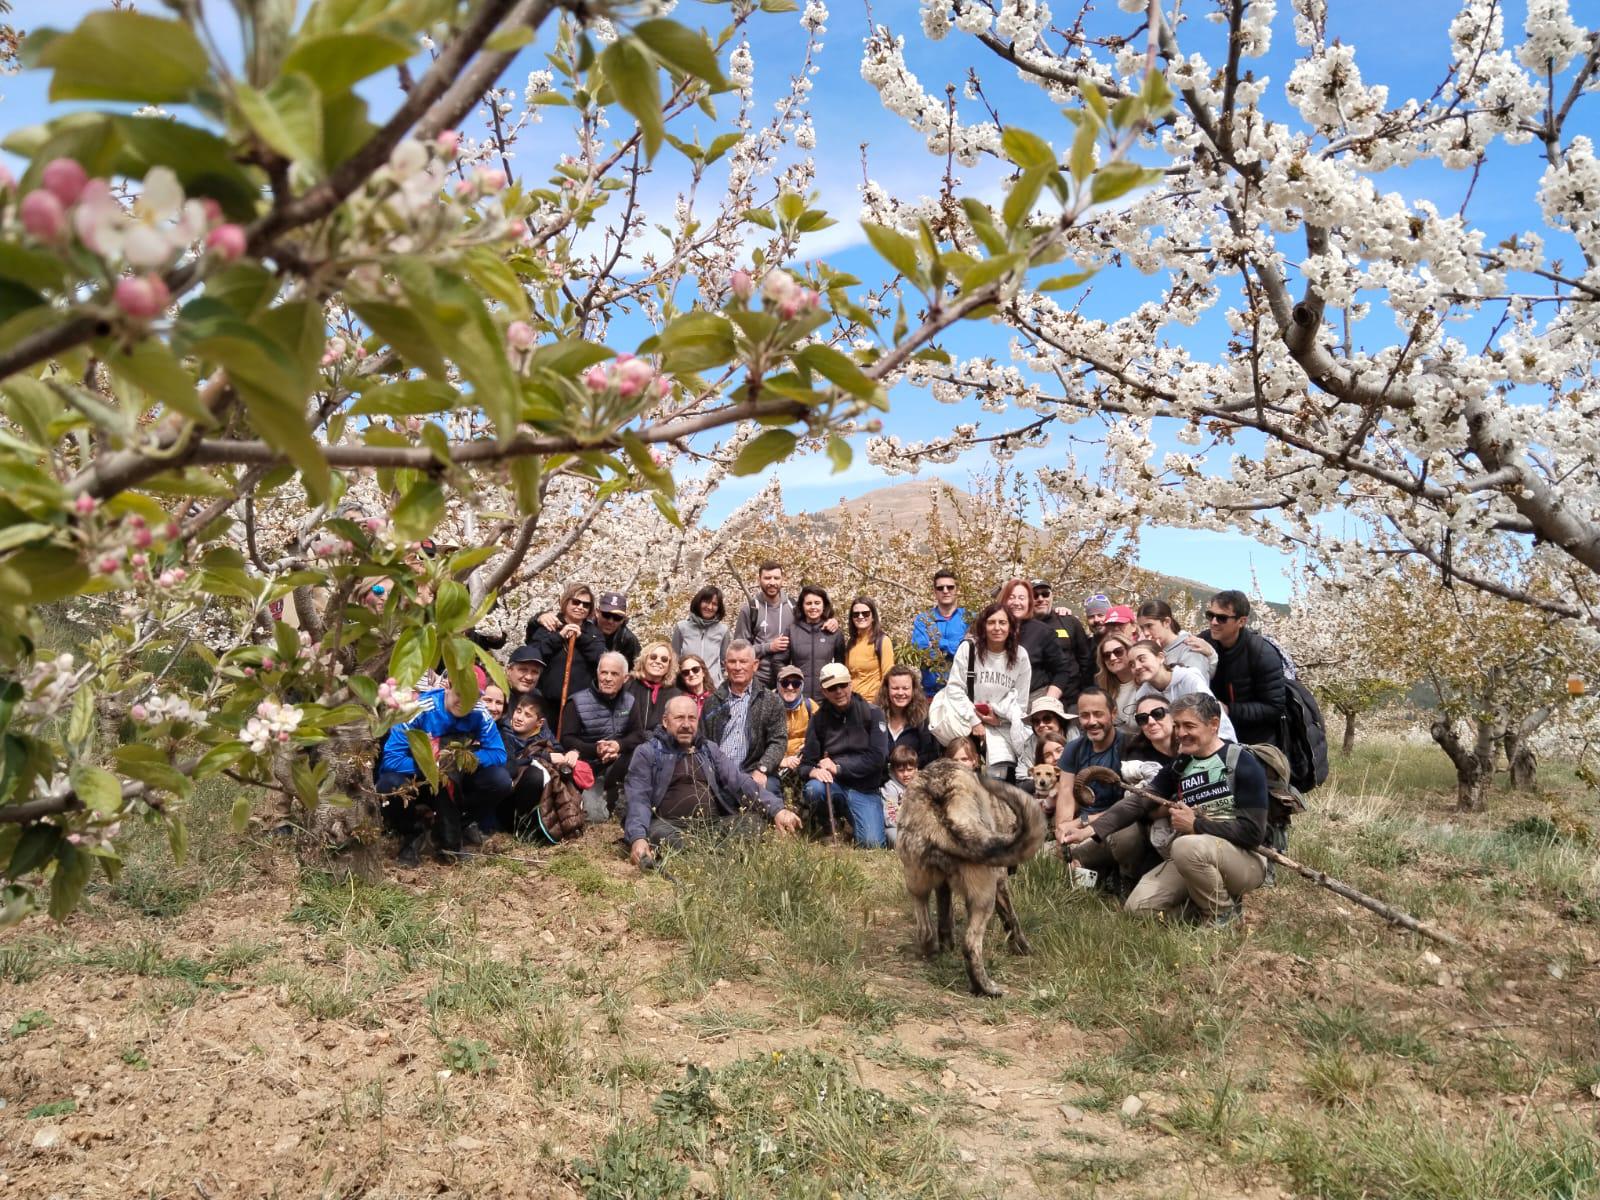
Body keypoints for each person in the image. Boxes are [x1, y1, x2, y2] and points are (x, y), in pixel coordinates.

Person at [1060, 693, 1269, 927]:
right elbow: (1139, 802)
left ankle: (1221, 914)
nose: (1181, 733)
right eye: (1178, 725)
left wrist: (1196, 825)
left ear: (1213, 725)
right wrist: (1090, 830)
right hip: (1192, 855)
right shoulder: (1180, 765)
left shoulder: (1242, 761)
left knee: (1184, 845)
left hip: (1243, 860)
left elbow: (1253, 833)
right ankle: (1203, 907)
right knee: (1138, 909)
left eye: (1189, 726)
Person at [623, 695, 802, 866]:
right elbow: (638, 798)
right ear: (665, 721)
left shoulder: (708, 749)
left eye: (691, 718)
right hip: (670, 825)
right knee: (659, 835)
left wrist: (777, 810)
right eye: (679, 718)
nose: (686, 724)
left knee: (752, 823)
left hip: (712, 825)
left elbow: (740, 782)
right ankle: (720, 857)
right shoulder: (648, 752)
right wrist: (638, 838)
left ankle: (701, 855)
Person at [377, 681, 513, 865]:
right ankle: (413, 831)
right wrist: (432, 766)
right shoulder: (419, 708)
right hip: (418, 778)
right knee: (389, 785)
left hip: (454, 780)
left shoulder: (480, 712)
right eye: (460, 694)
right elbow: (392, 759)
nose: (465, 702)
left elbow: (498, 754)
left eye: (472, 697)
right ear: (447, 686)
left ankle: (457, 826)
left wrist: (461, 760)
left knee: (500, 780)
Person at [1052, 687, 1151, 898]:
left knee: (1127, 835)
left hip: (1115, 826)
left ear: (1113, 714)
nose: (1091, 721)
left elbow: (1131, 806)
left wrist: (1082, 822)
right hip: (1081, 833)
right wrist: (1062, 829)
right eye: (1085, 715)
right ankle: (1095, 876)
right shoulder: (1074, 748)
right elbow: (1066, 792)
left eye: (1098, 714)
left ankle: (1126, 879)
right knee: (1039, 858)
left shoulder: (1129, 744)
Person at [799, 662, 890, 847]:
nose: (839, 691)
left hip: (865, 789)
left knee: (872, 844)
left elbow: (878, 758)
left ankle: (852, 823)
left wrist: (838, 768)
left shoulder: (873, 714)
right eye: (832, 688)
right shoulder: (818, 720)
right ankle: (829, 826)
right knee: (813, 789)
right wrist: (812, 772)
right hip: (834, 786)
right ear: (824, 691)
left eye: (843, 685)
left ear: (851, 684)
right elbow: (806, 764)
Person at [946, 602, 1031, 783]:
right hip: (967, 726)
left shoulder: (1020, 656)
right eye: (991, 622)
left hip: (1002, 730)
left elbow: (1021, 702)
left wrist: (998, 720)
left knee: (999, 789)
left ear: (1011, 626)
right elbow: (954, 688)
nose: (997, 628)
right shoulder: (969, 649)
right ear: (983, 626)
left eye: (1002, 622)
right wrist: (975, 720)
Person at [558, 651, 645, 822]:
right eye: (604, 672)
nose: (607, 678)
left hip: (619, 764)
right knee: (596, 817)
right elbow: (566, 739)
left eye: (614, 674)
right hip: (589, 767)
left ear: (625, 678)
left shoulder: (630, 701)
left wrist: (618, 745)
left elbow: (638, 735)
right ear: (597, 674)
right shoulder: (576, 702)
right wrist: (596, 750)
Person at [1199, 590, 1287, 749]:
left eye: (1222, 618)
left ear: (1241, 621)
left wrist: (1229, 710)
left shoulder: (1262, 653)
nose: (1213, 622)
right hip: (1215, 737)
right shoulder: (1204, 642)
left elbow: (1274, 707)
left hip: (1256, 742)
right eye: (1210, 615)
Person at [700, 640, 787, 796]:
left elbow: (778, 741)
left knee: (769, 790)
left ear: (755, 665)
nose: (738, 667)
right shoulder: (712, 702)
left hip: (753, 770)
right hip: (718, 772)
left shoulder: (771, 701)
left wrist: (763, 768)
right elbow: (703, 741)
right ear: (725, 665)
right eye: (732, 662)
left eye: (743, 662)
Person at [1127, 639, 1236, 740]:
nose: (1137, 667)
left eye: (1142, 659)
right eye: (1131, 664)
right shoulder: (1143, 695)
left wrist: (1225, 745)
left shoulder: (1188, 679)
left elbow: (1214, 715)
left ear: (1160, 657)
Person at [526, 583, 606, 712]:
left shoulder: (593, 632)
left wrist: (581, 639)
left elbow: (601, 658)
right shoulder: (549, 625)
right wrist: (559, 637)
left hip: (579, 705)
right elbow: (533, 654)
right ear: (566, 602)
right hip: (545, 701)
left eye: (586, 605)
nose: (580, 607)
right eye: (576, 602)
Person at [998, 578, 1072, 703]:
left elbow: (1062, 671)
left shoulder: (1042, 632)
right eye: (1011, 597)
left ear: (1029, 602)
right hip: (998, 700)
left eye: (1022, 598)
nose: (1017, 602)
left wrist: (1048, 702)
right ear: (1003, 600)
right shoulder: (992, 628)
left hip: (1034, 700)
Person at [499, 692, 557, 836]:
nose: (519, 718)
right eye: (518, 711)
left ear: (539, 723)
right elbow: (509, 766)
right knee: (535, 775)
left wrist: (571, 753)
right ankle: (519, 824)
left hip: (538, 797)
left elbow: (558, 751)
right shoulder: (504, 732)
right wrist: (542, 757)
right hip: (507, 797)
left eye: (527, 715)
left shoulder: (543, 736)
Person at [1031, 581, 1094, 714]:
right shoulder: (1023, 628)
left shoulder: (1069, 621)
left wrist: (1085, 693)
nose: (1041, 599)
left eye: (1045, 594)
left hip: (1073, 700)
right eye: (1035, 595)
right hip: (1038, 703)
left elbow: (1085, 660)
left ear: (1052, 596)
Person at [735, 560, 797, 688]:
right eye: (767, 578)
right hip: (758, 679)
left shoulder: (794, 607)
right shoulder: (751, 609)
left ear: (782, 580)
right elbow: (739, 651)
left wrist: (831, 621)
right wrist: (769, 647)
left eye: (776, 578)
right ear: (759, 579)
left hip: (789, 680)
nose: (772, 582)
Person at [909, 568, 968, 695]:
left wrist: (940, 644)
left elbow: (970, 653)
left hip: (963, 693)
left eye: (950, 587)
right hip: (931, 693)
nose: (945, 591)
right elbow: (922, 652)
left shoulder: (968, 618)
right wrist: (956, 647)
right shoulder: (923, 620)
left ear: (957, 590)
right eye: (940, 588)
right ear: (935, 592)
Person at [786, 582, 845, 701]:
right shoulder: (791, 631)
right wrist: (790, 684)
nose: (813, 607)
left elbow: (841, 665)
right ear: (802, 606)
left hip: (826, 698)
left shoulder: (834, 632)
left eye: (817, 603)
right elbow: (779, 662)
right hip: (799, 697)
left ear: (824, 605)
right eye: (808, 603)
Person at [1136, 599, 1217, 679]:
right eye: (1142, 628)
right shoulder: (1154, 649)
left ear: (1166, 622)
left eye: (1149, 626)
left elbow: (1194, 686)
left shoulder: (1190, 649)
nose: (1145, 633)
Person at [671, 586, 731, 690]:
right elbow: (673, 658)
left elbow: (724, 661)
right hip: (686, 686)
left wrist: (719, 678)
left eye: (714, 604)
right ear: (698, 602)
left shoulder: (723, 631)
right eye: (706, 602)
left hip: (714, 687)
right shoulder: (682, 627)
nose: (710, 607)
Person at [881, 665, 939, 767]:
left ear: (913, 690)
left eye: (905, 688)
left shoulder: (923, 719)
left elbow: (930, 756)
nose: (900, 692)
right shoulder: (876, 718)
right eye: (895, 688)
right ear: (887, 690)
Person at [841, 594, 895, 704]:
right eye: (856, 614)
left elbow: (888, 676)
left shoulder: (882, 641)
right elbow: (848, 676)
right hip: (853, 703)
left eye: (865, 613)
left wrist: (876, 703)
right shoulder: (851, 643)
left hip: (873, 703)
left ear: (873, 616)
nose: (860, 617)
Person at [774, 664, 816, 792]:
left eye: (796, 683)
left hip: (803, 764)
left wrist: (809, 749)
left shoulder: (810, 706)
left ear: (802, 686)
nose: (790, 687)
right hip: (776, 766)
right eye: (785, 683)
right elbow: (758, 745)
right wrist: (782, 761)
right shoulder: (767, 706)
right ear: (778, 684)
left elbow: (823, 737)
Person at [626, 641, 682, 735]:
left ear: (669, 665)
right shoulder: (628, 686)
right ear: (644, 659)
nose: (658, 661)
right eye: (653, 657)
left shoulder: (676, 695)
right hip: (629, 745)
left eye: (664, 659)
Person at [1094, 630, 1141, 735]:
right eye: (1106, 655)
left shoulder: (1146, 681)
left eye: (1118, 651)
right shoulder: (1104, 689)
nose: (1113, 658)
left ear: (1129, 651)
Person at [881, 744, 920, 849]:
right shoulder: (890, 788)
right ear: (893, 770)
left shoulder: (921, 786)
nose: (906, 774)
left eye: (910, 769)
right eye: (901, 770)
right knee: (894, 836)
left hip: (918, 828)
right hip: (896, 827)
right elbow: (890, 817)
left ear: (916, 769)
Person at [593, 591, 641, 670]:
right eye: (606, 615)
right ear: (597, 612)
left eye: (617, 617)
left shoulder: (628, 639)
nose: (610, 621)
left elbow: (637, 670)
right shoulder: (585, 630)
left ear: (623, 620)